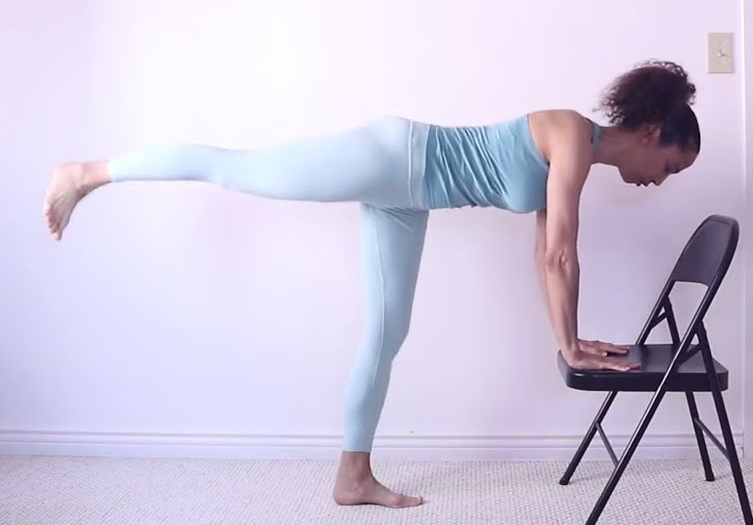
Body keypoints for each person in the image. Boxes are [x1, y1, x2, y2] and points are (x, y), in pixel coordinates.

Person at [41, 58, 701, 509]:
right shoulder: (573, 134)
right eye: (670, 166)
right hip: (396, 157)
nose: (660, 181)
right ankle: (88, 172)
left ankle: (352, 476)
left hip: (409, 197)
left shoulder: (575, 154)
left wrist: (569, 342)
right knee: (234, 169)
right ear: (650, 135)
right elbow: (561, 256)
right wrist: (572, 347)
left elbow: (544, 256)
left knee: (388, 333)